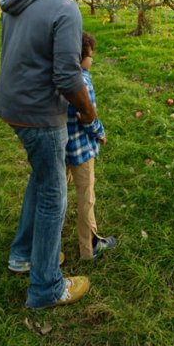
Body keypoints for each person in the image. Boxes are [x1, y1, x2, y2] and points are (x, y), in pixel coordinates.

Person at [0, 0, 97, 309]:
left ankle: (23, 255)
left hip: (11, 103)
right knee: (54, 193)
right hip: (39, 113)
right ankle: (46, 287)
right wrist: (88, 111)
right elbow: (67, 77)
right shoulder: (64, 9)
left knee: (40, 179)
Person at [66, 32, 117, 260]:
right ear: (81, 57)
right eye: (90, 56)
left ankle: (47, 241)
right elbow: (87, 116)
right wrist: (101, 133)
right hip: (81, 149)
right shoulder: (82, 82)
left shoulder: (57, 76)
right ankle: (90, 247)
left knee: (55, 194)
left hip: (60, 146)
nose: (92, 60)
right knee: (86, 196)